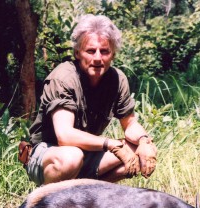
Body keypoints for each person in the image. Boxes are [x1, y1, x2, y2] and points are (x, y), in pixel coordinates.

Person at [26, 14, 157, 186]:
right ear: (77, 53)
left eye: (104, 51)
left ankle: (84, 195)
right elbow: (64, 135)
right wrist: (111, 144)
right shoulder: (64, 77)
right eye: (90, 51)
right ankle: (48, 202)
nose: (97, 57)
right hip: (48, 154)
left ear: (113, 55)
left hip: (85, 152)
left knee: (141, 152)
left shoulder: (117, 79)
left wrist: (144, 141)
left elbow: (130, 124)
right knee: (71, 157)